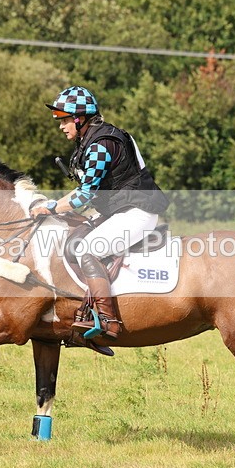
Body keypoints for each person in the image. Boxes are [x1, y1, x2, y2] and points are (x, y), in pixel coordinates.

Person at [29, 86, 169, 340]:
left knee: (87, 250)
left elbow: (83, 196)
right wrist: (52, 206)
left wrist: (49, 207)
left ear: (79, 118)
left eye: (63, 120)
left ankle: (107, 321)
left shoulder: (100, 145)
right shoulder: (91, 141)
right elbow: (81, 192)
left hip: (138, 211)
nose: (61, 126)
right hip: (119, 211)